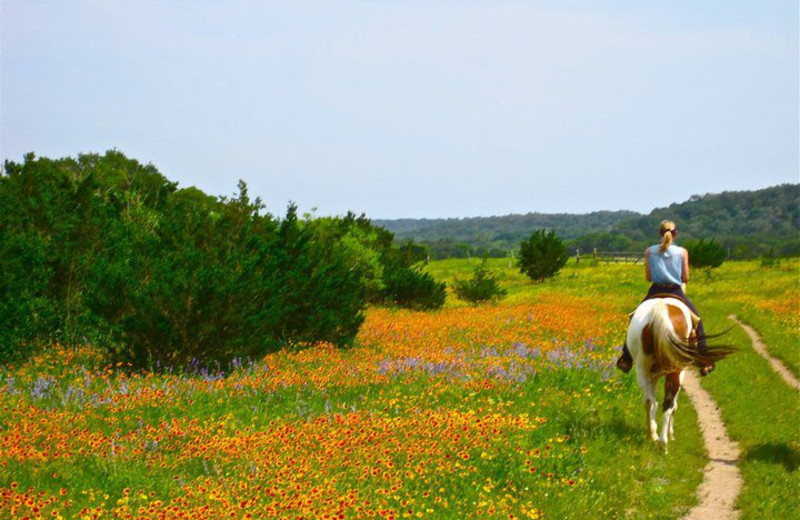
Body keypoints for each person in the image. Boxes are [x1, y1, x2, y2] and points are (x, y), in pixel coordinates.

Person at [616, 220, 714, 376]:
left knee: (634, 317)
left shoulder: (649, 251)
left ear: (660, 233)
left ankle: (626, 358)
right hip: (676, 291)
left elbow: (649, 277)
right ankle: (704, 361)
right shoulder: (682, 252)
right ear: (675, 234)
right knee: (697, 320)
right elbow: (685, 277)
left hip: (656, 290)